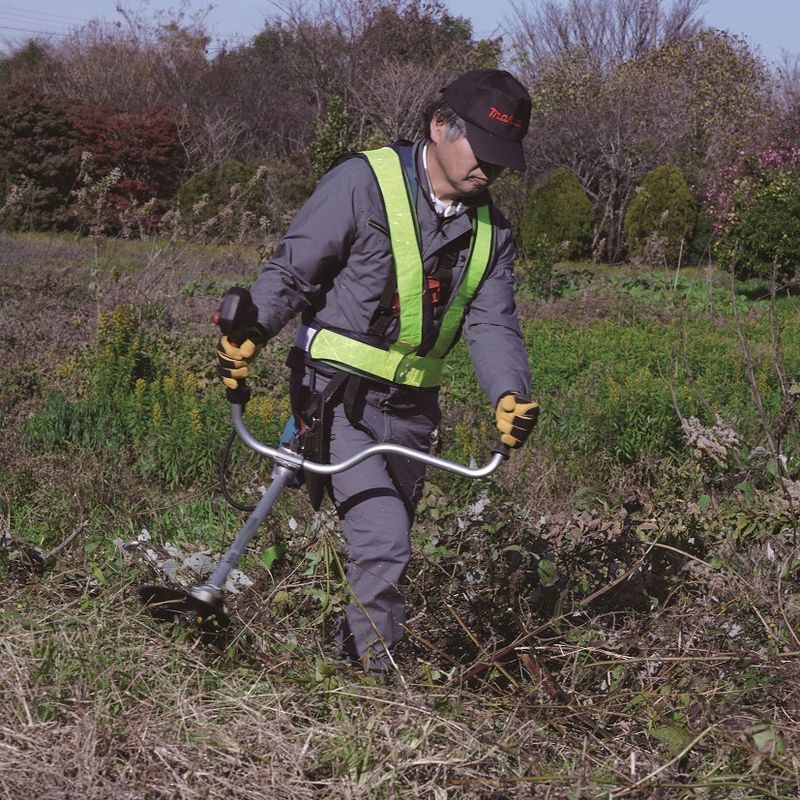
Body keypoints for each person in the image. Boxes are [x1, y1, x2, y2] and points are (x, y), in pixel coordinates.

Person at [217, 68, 539, 674]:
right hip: (336, 399)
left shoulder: (492, 231)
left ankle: (346, 659)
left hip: (413, 414)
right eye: (482, 149)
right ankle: (378, 688)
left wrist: (508, 393)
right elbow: (293, 272)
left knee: (385, 551)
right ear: (440, 127)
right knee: (386, 540)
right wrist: (252, 330)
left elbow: (493, 323)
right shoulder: (362, 183)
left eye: (503, 156)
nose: (491, 168)